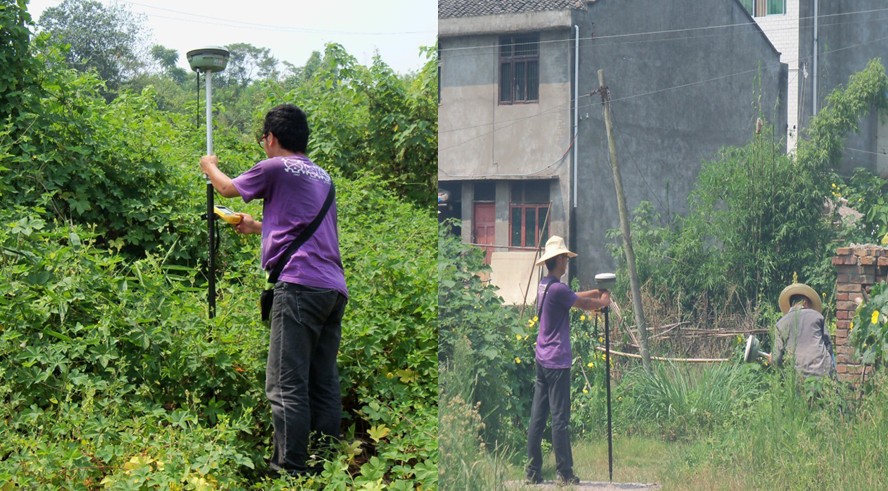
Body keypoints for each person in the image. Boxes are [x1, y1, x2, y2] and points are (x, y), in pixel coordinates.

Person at [200, 103, 348, 477]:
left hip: (297, 286)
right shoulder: (321, 175)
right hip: (331, 289)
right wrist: (256, 227)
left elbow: (227, 188)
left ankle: (290, 470)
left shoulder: (275, 166)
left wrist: (208, 165)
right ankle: (326, 466)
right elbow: (302, 228)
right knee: (323, 380)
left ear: (270, 138)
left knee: (285, 384)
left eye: (263, 140)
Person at [525, 236, 610, 485]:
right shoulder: (558, 289)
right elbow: (581, 303)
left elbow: (571, 295)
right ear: (559, 260)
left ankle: (532, 472)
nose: (566, 262)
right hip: (557, 362)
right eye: (565, 258)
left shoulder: (545, 285)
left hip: (542, 358)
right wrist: (602, 301)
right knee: (560, 419)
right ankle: (565, 473)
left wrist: (595, 292)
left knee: (538, 418)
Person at [773, 282, 835, 378]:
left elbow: (776, 358)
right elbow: (829, 346)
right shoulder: (817, 316)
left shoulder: (780, 324)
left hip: (799, 378)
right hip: (823, 373)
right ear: (805, 302)